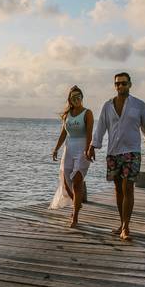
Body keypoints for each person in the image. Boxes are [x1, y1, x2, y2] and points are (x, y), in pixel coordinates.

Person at [86, 72, 145, 241]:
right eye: (117, 83)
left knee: (128, 188)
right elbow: (101, 128)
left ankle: (126, 227)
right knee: (118, 189)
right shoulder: (107, 106)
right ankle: (122, 223)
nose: (120, 86)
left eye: (124, 83)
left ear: (130, 84)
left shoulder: (139, 105)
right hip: (113, 152)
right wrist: (92, 146)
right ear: (115, 85)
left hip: (132, 151)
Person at [49, 85, 94, 228]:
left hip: (82, 149)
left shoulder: (87, 113)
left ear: (82, 97)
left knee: (77, 181)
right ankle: (77, 202)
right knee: (65, 180)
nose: (76, 99)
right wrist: (56, 149)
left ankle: (75, 217)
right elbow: (63, 133)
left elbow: (89, 134)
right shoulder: (67, 114)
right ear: (70, 99)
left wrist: (88, 150)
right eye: (73, 97)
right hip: (68, 149)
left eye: (78, 96)